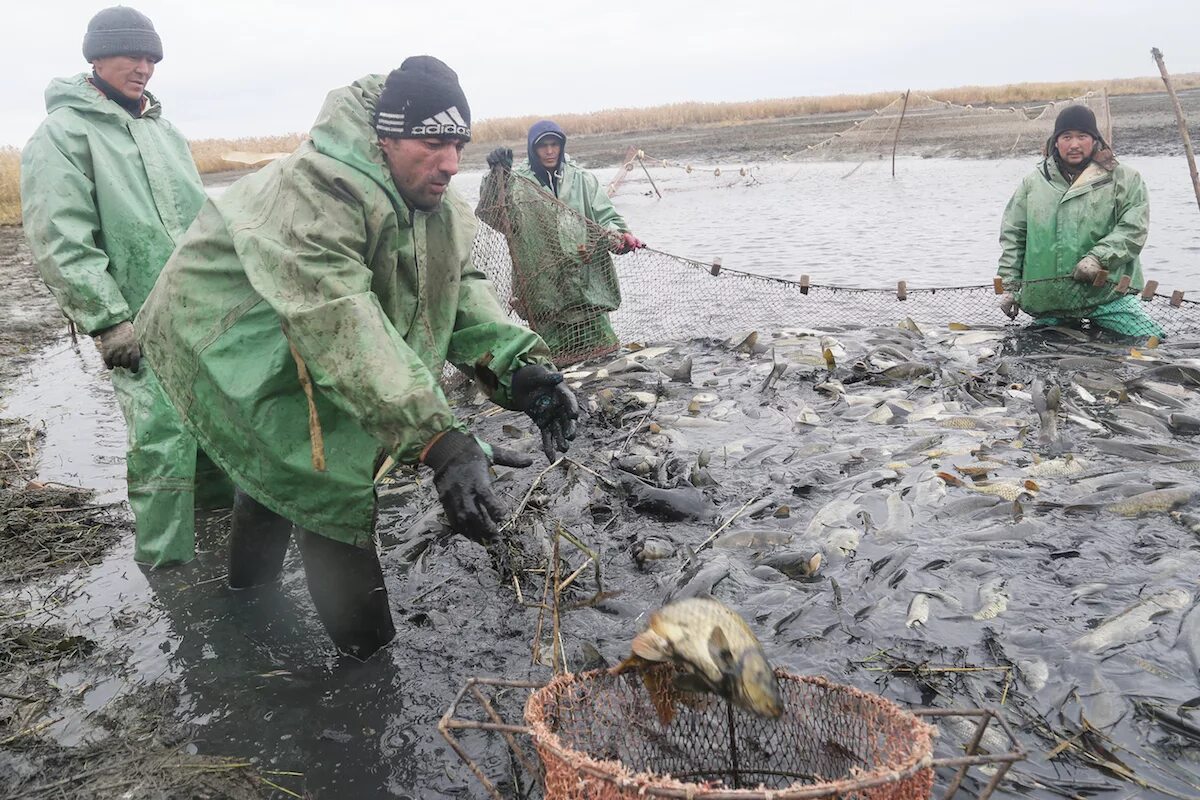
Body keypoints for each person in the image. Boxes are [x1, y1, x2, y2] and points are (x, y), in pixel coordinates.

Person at [136, 57, 579, 660]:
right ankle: (366, 658)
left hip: (308, 322)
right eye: (432, 142)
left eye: (458, 144)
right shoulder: (316, 191)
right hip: (226, 331)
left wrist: (520, 369)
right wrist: (440, 441)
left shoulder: (437, 200)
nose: (450, 162)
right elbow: (341, 322)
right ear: (386, 137)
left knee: (280, 468)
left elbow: (457, 288)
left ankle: (244, 608)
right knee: (326, 475)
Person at [20, 6, 232, 568]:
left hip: (197, 311)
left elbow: (202, 219)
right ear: (95, 57)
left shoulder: (163, 130)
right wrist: (107, 319)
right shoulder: (61, 134)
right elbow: (59, 236)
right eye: (132, 56)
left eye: (152, 58)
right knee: (162, 439)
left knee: (218, 427)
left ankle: (217, 545)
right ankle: (168, 571)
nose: (144, 68)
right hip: (135, 321)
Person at [478, 121, 645, 362]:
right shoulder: (516, 183)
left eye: (554, 144)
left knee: (606, 361)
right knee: (551, 366)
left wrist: (621, 236)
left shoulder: (582, 180)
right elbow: (493, 215)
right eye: (543, 146)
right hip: (544, 295)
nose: (549, 151)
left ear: (561, 145)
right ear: (533, 149)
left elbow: (605, 217)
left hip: (587, 290)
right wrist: (497, 176)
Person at [996, 104, 1162, 338]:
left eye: (1082, 136)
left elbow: (1134, 229)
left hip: (1107, 294)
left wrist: (1098, 258)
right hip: (1049, 299)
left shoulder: (1125, 178)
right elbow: (1014, 236)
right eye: (1066, 137)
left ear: (1094, 140)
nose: (1074, 144)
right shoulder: (1032, 183)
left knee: (1150, 341)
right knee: (1037, 353)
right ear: (1056, 142)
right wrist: (1010, 287)